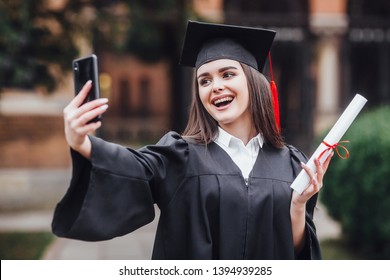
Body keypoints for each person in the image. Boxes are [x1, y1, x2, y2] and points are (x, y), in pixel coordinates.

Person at [52, 21, 333, 259]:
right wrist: (82, 143)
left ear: (253, 82)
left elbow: (297, 254)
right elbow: (131, 167)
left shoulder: (291, 162)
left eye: (228, 74)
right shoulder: (181, 157)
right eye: (205, 80)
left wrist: (297, 207)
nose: (216, 86)